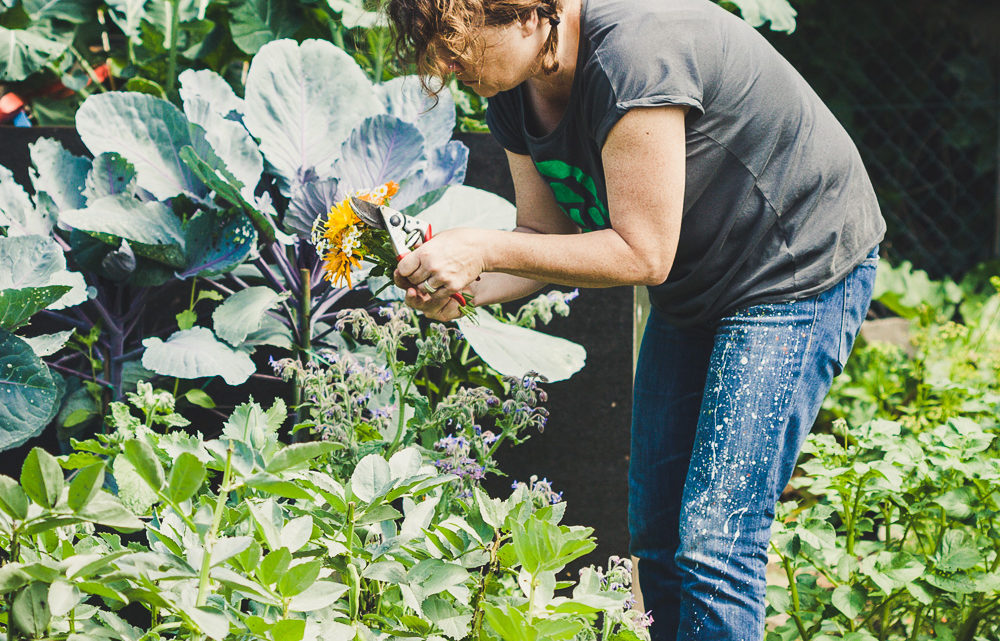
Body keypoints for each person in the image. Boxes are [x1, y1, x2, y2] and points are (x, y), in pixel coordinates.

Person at [384, 0, 886, 638]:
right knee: (657, 534)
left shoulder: (633, 54)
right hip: (699, 282)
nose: (443, 64)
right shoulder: (514, 91)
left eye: (455, 41)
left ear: (526, 12)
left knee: (715, 541)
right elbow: (543, 239)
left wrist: (481, 246)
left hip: (792, 269)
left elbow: (642, 252)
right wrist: (461, 285)